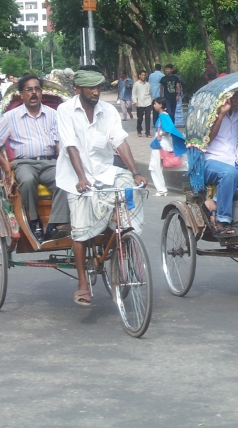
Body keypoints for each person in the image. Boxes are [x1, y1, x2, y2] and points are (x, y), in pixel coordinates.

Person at [56, 67, 147, 306]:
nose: (96, 91)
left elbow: (119, 141)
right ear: (78, 89)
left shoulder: (108, 111)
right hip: (75, 177)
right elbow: (70, 146)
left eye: (98, 87)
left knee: (130, 186)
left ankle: (124, 236)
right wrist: (82, 177)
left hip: (105, 172)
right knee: (80, 227)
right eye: (91, 88)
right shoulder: (65, 110)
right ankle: (83, 283)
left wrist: (136, 172)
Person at [0, 74, 70, 242]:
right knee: (28, 180)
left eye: (37, 89)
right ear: (21, 94)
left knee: (65, 180)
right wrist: (5, 165)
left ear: (42, 93)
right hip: (24, 163)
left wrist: (65, 162)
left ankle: (54, 225)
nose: (33, 93)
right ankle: (34, 220)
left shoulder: (53, 114)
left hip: (50, 161)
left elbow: (60, 143)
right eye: (29, 90)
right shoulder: (11, 116)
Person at [203, 90, 238, 236]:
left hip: (233, 160)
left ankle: (215, 202)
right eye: (235, 98)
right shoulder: (213, 112)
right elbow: (208, 139)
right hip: (211, 161)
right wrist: (221, 114)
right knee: (229, 173)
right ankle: (221, 220)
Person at [149, 97, 186, 196]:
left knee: (155, 167)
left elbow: (169, 128)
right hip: (161, 144)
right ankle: (161, 189)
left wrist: (160, 135)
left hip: (160, 144)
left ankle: (161, 190)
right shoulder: (163, 115)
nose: (154, 105)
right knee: (159, 165)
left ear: (160, 105)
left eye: (155, 103)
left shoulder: (163, 116)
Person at [132, 69, 152, 137]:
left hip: (147, 103)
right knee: (140, 118)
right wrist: (135, 102)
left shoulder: (148, 84)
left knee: (148, 118)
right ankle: (139, 130)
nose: (143, 76)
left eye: (144, 75)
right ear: (139, 76)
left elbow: (150, 93)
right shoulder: (136, 84)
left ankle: (148, 132)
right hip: (139, 103)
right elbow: (133, 94)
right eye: (142, 75)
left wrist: (151, 102)